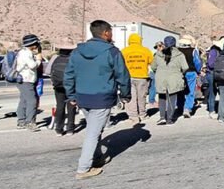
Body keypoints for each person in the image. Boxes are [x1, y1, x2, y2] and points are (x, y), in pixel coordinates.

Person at [64, 20, 131, 180]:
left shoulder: (77, 52)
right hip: (102, 97)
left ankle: (96, 157)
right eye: (111, 31)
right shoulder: (112, 52)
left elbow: (69, 75)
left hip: (82, 97)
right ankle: (83, 168)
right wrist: (125, 94)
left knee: (95, 129)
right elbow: (122, 75)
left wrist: (71, 95)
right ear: (106, 33)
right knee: (93, 133)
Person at [151, 36, 188, 125]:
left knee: (162, 97)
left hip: (161, 78)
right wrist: (180, 72)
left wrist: (159, 72)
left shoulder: (158, 54)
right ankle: (169, 119)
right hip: (174, 78)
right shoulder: (180, 54)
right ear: (175, 44)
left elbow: (153, 67)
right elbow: (185, 67)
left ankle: (162, 117)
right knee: (172, 98)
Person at [121, 33, 152, 124]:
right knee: (142, 96)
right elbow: (151, 62)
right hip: (142, 77)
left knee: (131, 97)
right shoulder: (145, 50)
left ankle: (133, 116)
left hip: (128, 77)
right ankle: (142, 114)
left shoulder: (124, 51)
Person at [15, 34, 43, 131]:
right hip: (26, 79)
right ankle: (30, 122)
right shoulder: (26, 53)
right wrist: (39, 59)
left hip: (23, 79)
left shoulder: (22, 52)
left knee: (23, 100)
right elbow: (32, 65)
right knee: (32, 101)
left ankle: (21, 121)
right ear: (33, 44)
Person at [48, 46, 77, 135]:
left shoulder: (55, 58)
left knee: (60, 106)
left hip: (58, 86)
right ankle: (70, 128)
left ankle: (59, 129)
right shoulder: (74, 59)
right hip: (71, 86)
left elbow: (48, 71)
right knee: (71, 106)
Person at [178, 37, 202, 118]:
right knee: (190, 91)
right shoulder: (193, 51)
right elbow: (197, 62)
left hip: (180, 73)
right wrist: (198, 71)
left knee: (180, 90)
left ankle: (180, 107)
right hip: (191, 72)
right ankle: (187, 108)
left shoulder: (177, 51)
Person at [204, 38, 224, 119]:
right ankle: (211, 110)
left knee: (215, 92)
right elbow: (211, 64)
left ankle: (215, 109)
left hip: (214, 73)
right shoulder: (214, 51)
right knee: (212, 92)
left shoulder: (216, 51)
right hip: (212, 73)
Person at [148, 41, 163, 106]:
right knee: (154, 86)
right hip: (155, 71)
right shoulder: (156, 54)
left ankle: (152, 100)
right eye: (158, 46)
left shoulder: (153, 52)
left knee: (153, 87)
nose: (158, 48)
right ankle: (152, 100)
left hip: (153, 71)